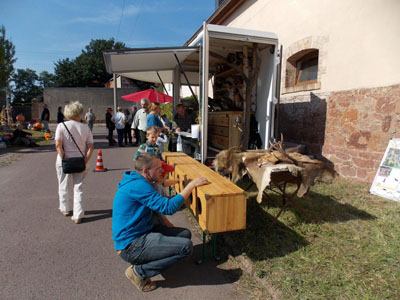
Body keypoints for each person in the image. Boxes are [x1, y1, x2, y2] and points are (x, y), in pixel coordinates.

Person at [112, 153, 209, 292]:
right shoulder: (139, 186)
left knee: (184, 234)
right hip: (131, 245)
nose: (162, 171)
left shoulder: (141, 182)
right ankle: (139, 272)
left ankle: (151, 259)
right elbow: (168, 207)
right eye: (158, 168)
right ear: (146, 171)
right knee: (186, 247)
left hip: (143, 232)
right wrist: (191, 186)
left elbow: (161, 204)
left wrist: (165, 218)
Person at [55, 101, 94, 224]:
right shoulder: (86, 127)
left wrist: (64, 158)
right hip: (80, 161)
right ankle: (78, 214)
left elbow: (58, 145)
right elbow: (91, 147)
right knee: (79, 188)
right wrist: (85, 160)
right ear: (79, 113)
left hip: (64, 161)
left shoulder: (61, 126)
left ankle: (65, 208)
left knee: (63, 185)